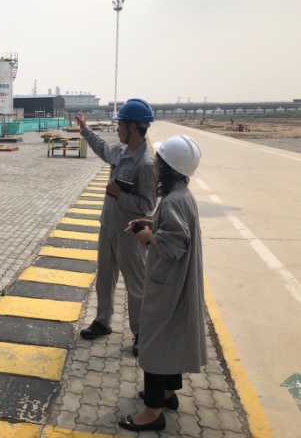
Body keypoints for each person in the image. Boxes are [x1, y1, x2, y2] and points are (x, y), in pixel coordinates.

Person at [119, 134, 206, 432]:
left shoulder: (172, 202)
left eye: (159, 160)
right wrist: (151, 224)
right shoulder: (181, 196)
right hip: (176, 283)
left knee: (154, 342)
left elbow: (173, 246)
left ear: (167, 167)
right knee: (169, 337)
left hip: (167, 283)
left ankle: (152, 412)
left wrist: (149, 237)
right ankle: (167, 393)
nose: (154, 164)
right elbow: (175, 231)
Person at [75, 99, 157, 356]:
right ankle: (103, 321)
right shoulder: (122, 151)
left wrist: (120, 195)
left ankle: (141, 333)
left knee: (136, 286)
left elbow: (148, 205)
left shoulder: (145, 164)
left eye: (120, 124)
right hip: (109, 226)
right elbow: (102, 148)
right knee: (104, 278)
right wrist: (85, 129)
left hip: (131, 234)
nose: (117, 128)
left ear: (133, 127)